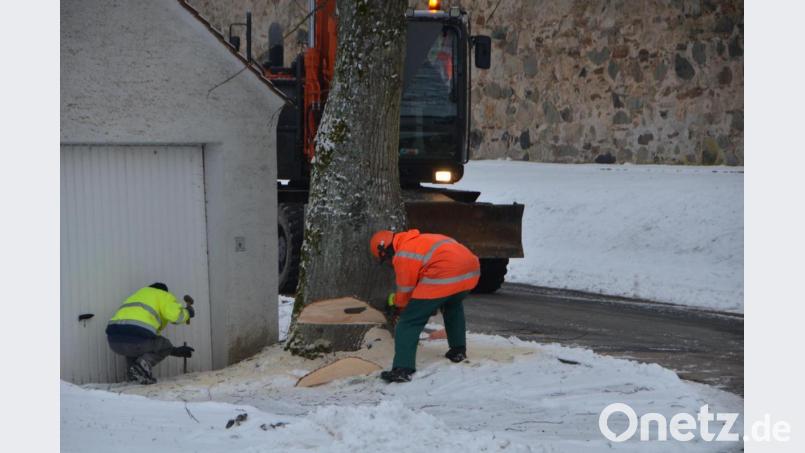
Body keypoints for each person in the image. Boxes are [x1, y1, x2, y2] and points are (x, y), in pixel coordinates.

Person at [369, 229, 480, 383]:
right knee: (452, 306)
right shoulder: (418, 240)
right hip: (471, 271)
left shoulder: (403, 254)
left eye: (386, 260)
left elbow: (406, 291)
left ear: (385, 251)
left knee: (409, 322)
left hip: (445, 273)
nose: (389, 263)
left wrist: (396, 305)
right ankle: (458, 351)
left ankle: (403, 369)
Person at [106, 283, 196, 384]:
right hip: (137, 339)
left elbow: (147, 343)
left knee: (134, 348)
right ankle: (140, 369)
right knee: (164, 344)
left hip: (114, 341)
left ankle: (136, 377)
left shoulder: (137, 295)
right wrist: (188, 312)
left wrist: (176, 351)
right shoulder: (162, 295)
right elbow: (175, 316)